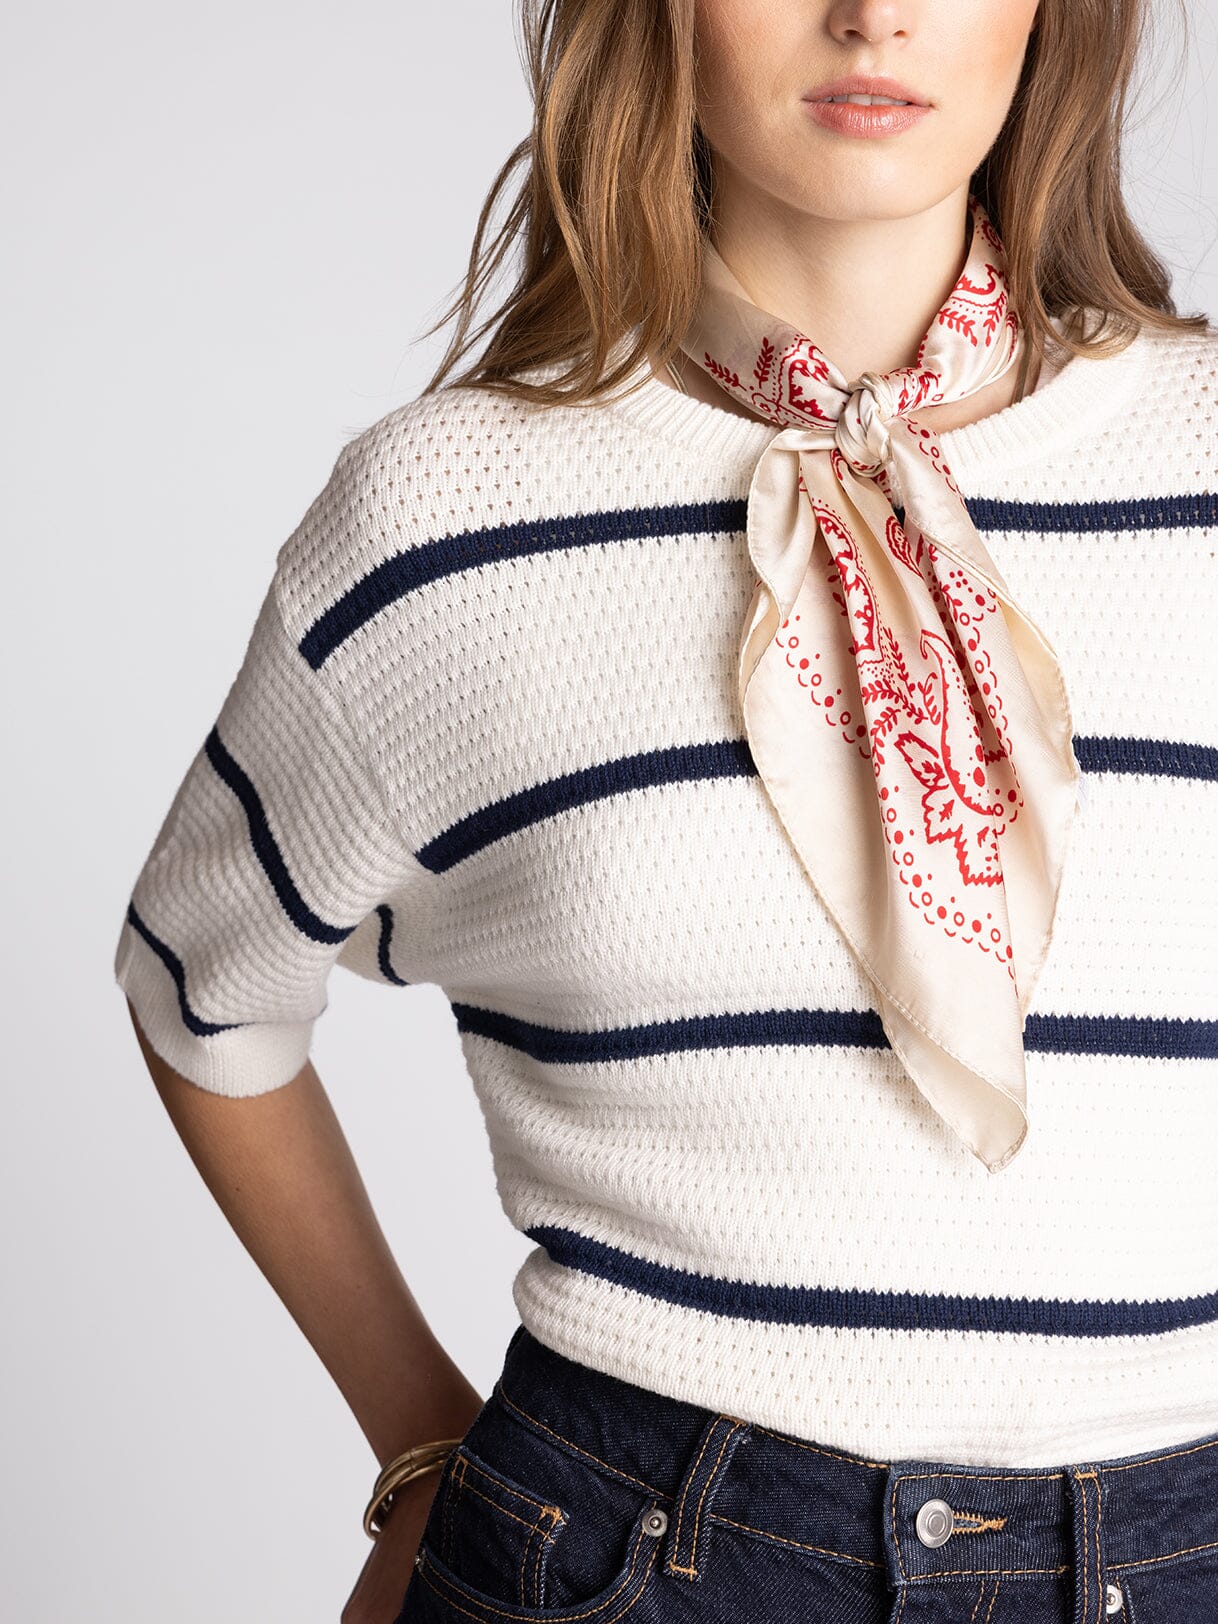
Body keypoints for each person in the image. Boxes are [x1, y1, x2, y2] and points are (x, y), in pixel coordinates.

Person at [114, 0, 1218, 1619]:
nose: (872, 16)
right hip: (628, 1549)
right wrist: (419, 1444)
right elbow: (200, 993)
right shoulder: (439, 520)